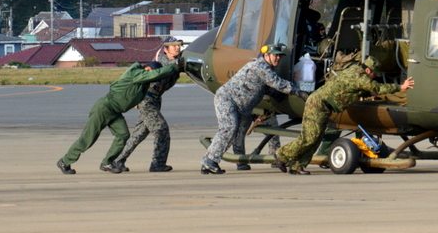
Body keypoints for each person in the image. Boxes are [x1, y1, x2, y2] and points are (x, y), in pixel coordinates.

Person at [274, 52, 413, 175]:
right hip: (318, 104)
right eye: (374, 74)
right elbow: (377, 87)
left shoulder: (354, 70)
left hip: (324, 106)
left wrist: (365, 91)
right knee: (309, 138)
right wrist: (401, 86)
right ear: (368, 70)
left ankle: (297, 166)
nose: (374, 76)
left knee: (316, 139)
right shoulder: (361, 77)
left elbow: (351, 87)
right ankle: (282, 154)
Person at [56, 57, 181, 174]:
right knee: (88, 138)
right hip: (104, 108)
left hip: (115, 111)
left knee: (123, 135)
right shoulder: (136, 73)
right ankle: (65, 161)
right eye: (152, 74)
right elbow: (154, 75)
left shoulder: (143, 82)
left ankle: (107, 162)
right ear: (148, 69)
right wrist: (174, 66)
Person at [201, 45, 301, 174]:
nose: (278, 58)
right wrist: (298, 91)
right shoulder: (260, 66)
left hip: (244, 106)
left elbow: (262, 86)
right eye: (275, 55)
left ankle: (252, 160)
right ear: (266, 55)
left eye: (279, 56)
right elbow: (276, 83)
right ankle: (210, 161)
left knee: (256, 128)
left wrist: (275, 94)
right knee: (229, 128)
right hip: (227, 100)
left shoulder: (267, 68)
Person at [108, 36, 185, 173]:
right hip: (146, 100)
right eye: (173, 46)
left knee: (139, 133)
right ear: (165, 49)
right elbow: (170, 68)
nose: (177, 48)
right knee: (161, 130)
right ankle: (158, 163)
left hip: (155, 100)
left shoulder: (177, 61)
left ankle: (117, 161)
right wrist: (135, 99)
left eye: (179, 45)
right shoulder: (161, 62)